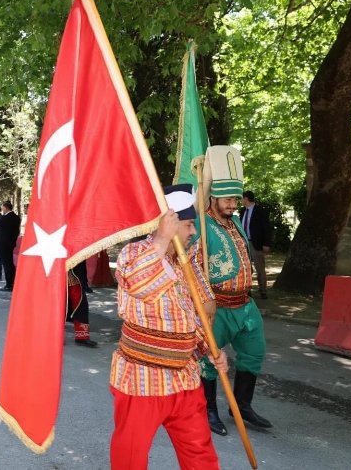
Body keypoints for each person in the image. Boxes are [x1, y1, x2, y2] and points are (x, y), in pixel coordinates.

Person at [110, 184, 226, 470]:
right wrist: (161, 239)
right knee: (131, 456)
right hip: (143, 380)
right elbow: (141, 284)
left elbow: (192, 314)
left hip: (185, 379)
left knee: (200, 453)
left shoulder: (187, 263)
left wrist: (209, 349)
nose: (192, 232)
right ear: (169, 223)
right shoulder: (133, 253)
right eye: (187, 225)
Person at [198, 146, 272, 436]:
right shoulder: (200, 226)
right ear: (212, 196)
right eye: (227, 198)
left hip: (245, 306)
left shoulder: (235, 221)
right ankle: (208, 410)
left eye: (235, 198)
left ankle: (241, 405)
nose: (233, 204)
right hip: (216, 307)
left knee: (255, 352)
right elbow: (188, 265)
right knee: (209, 361)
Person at [241, 191, 273, 300]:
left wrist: (266, 243)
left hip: (256, 243)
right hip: (244, 243)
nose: (241, 201)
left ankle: (263, 291)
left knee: (260, 268)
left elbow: (267, 228)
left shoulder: (260, 211)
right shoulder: (242, 211)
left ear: (246, 198)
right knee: (246, 268)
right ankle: (247, 291)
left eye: (242, 198)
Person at [66, 260, 97, 347]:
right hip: (56, 278)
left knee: (81, 305)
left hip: (75, 278)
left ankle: (82, 337)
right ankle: (54, 337)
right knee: (58, 308)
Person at [0, 200, 21, 292]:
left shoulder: (5, 218)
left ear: (5, 207)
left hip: (4, 244)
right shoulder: (16, 217)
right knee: (10, 264)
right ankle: (13, 282)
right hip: (11, 243)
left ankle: (9, 284)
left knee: (7, 264)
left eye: (2, 207)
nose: (2, 209)